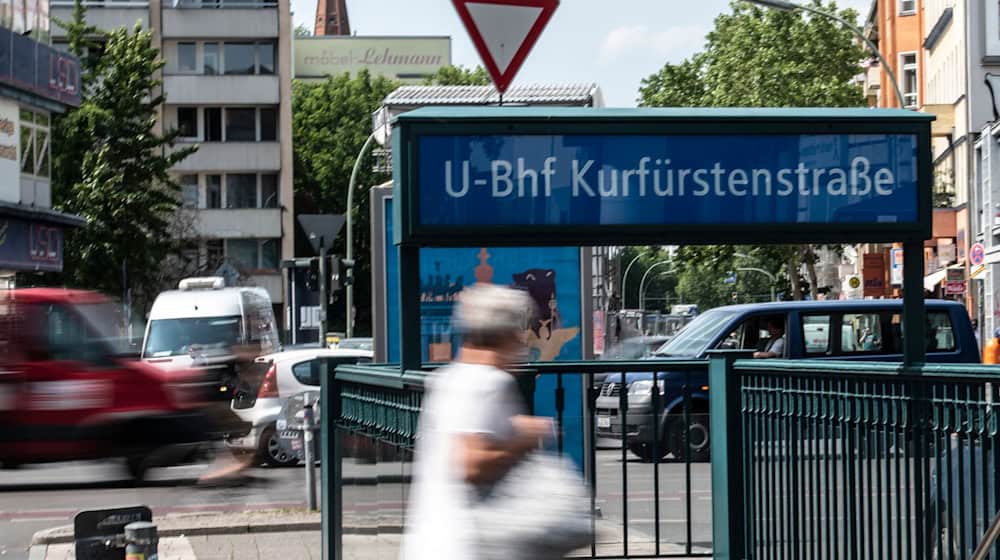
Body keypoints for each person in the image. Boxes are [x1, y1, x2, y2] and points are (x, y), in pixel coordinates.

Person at [400, 284, 554, 560]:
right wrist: (525, 439)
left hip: (431, 542)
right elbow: (471, 462)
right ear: (506, 334)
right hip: (468, 547)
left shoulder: (448, 379)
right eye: (520, 332)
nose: (522, 341)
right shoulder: (489, 383)